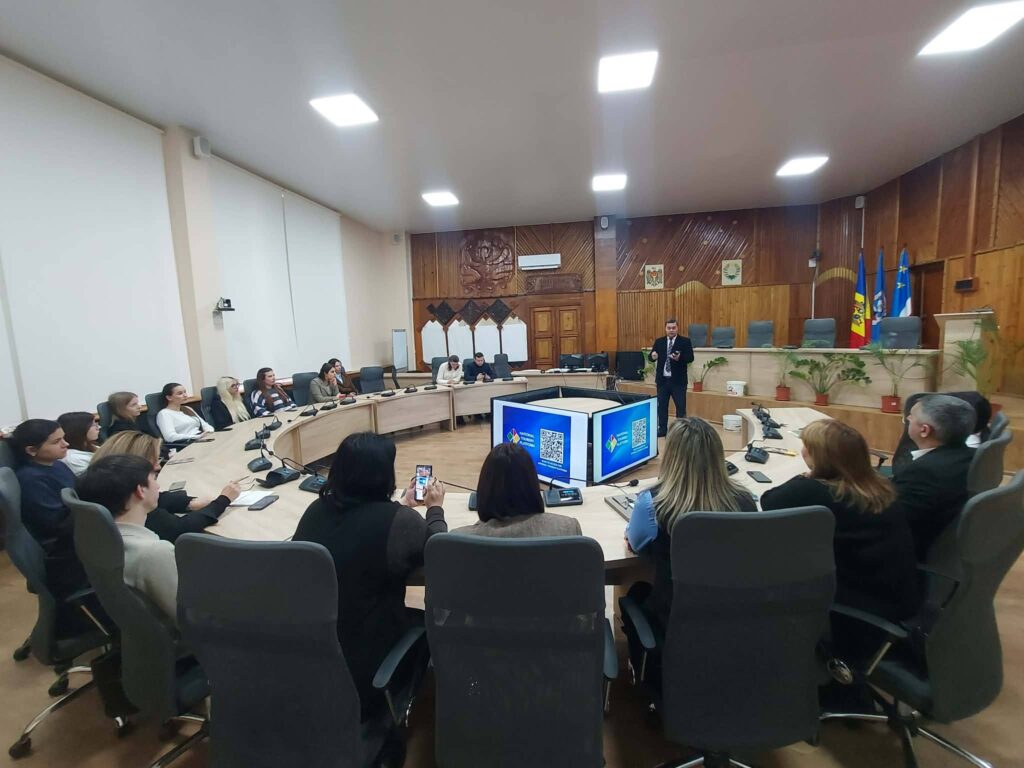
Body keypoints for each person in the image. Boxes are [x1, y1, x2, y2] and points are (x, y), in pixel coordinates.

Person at [293, 431, 446, 724]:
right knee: (430, 621)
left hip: (314, 651)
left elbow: (360, 528)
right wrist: (434, 509)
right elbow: (441, 553)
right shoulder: (398, 522)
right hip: (367, 661)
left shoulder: (315, 510)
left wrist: (400, 508)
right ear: (384, 476)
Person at [761, 420, 919, 621]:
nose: (803, 451)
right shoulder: (879, 486)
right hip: (894, 597)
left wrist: (806, 477)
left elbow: (769, 502)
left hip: (860, 613)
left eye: (807, 447)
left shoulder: (815, 491)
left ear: (820, 457)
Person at [624, 417, 756, 633]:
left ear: (672, 458)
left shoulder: (652, 504)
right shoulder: (746, 501)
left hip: (674, 624)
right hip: (735, 623)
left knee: (637, 590)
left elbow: (636, 545)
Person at [76, 454, 178, 625]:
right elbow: (192, 619)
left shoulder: (96, 536)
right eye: (154, 479)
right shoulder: (153, 553)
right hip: (184, 639)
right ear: (140, 491)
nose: (158, 485)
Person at [92, 431, 240, 542]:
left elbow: (161, 497)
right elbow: (181, 528)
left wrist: (189, 503)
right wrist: (222, 501)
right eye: (153, 462)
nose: (158, 466)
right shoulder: (131, 508)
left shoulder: (106, 485)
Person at [9, 419, 88, 600]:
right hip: (67, 549)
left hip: (78, 531)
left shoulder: (57, 465)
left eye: (64, 438)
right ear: (31, 450)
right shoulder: (32, 480)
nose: (66, 444)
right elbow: (56, 524)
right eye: (56, 441)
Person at [892, 394, 976, 560]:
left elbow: (890, 521)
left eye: (911, 417)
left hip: (906, 556)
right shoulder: (971, 456)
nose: (908, 418)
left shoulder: (924, 472)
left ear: (924, 430)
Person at [454, 443, 582, 537]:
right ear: (533, 485)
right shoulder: (568, 529)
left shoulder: (458, 539)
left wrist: (435, 510)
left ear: (484, 489)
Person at [649, 317, 694, 437]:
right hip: (663, 381)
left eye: (674, 328)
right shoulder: (659, 342)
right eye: (669, 328)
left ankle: (681, 431)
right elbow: (651, 356)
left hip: (678, 382)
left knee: (680, 407)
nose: (671, 330)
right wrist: (653, 356)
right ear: (665, 329)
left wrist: (679, 358)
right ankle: (662, 429)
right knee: (662, 407)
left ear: (677, 328)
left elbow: (690, 358)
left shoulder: (685, 341)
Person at [58, 411, 100, 476]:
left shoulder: (89, 445)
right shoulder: (73, 459)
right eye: (93, 425)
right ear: (79, 429)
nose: (98, 427)